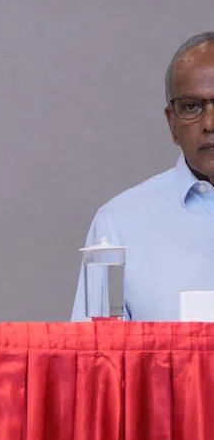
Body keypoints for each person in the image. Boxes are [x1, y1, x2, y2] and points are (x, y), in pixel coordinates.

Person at [72, 31, 214, 320]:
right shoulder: (119, 224)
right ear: (172, 124)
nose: (209, 122)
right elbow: (94, 348)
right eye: (191, 106)